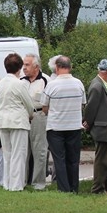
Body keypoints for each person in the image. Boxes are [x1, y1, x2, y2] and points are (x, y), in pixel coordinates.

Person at [44, 56, 86, 194]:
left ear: (56, 67)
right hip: (74, 126)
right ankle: (74, 187)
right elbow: (83, 104)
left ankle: (63, 188)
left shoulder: (51, 85)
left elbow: (44, 106)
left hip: (56, 127)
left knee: (59, 159)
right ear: (70, 67)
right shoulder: (78, 83)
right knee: (73, 159)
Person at [0, 53, 34, 192]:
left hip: (2, 120)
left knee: (7, 154)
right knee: (19, 153)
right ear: (20, 67)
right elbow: (29, 104)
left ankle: (7, 183)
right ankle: (16, 186)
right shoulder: (20, 83)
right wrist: (30, 114)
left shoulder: (2, 83)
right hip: (17, 120)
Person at [83, 59, 107, 194]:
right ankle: (97, 188)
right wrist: (88, 123)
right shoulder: (97, 86)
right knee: (102, 159)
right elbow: (91, 108)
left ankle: (106, 186)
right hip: (101, 127)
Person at [21, 53, 49, 190]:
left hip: (39, 115)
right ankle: (22, 180)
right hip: (23, 116)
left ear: (36, 66)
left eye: (27, 65)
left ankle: (39, 183)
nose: (24, 68)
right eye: (23, 64)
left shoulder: (45, 80)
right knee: (23, 150)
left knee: (40, 150)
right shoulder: (21, 81)